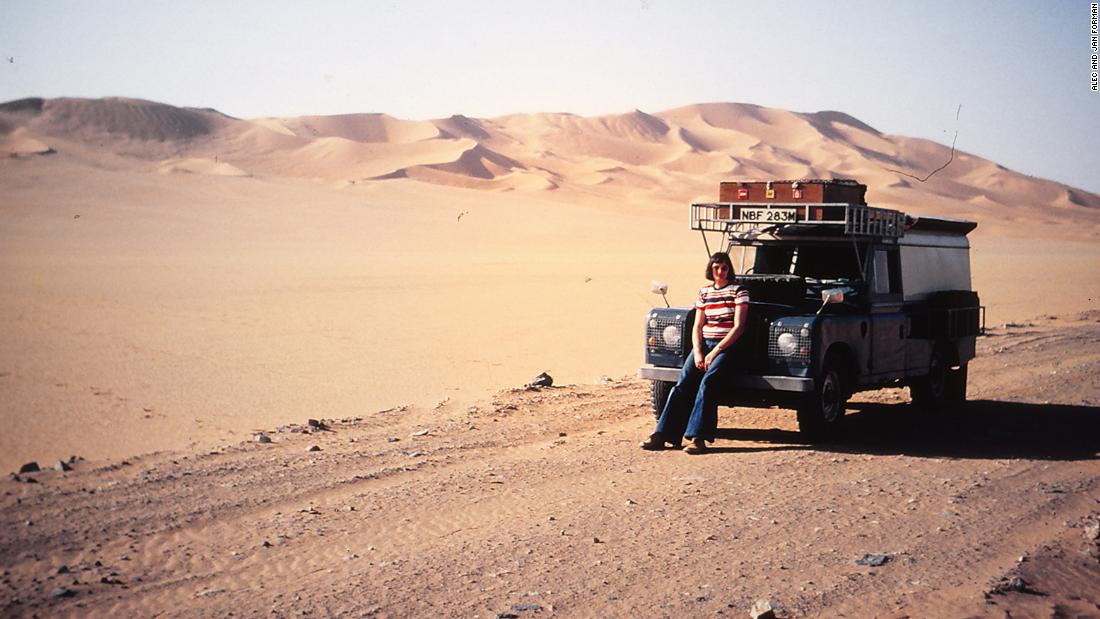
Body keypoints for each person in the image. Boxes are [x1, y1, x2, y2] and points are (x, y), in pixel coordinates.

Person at [641, 252, 749, 454]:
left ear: (729, 270)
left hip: (727, 346)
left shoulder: (739, 291)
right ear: (711, 269)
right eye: (716, 267)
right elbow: (698, 326)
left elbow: (738, 328)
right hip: (704, 345)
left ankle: (697, 438)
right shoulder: (705, 292)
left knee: (709, 383)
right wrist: (698, 352)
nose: (720, 272)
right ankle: (662, 434)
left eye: (724, 268)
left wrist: (714, 352)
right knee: (683, 383)